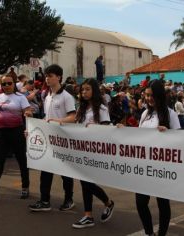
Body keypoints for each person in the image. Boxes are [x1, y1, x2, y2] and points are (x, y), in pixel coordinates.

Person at [28, 64, 77, 212]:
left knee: (65, 173)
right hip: (48, 139)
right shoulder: (47, 95)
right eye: (46, 76)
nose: (47, 79)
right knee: (46, 171)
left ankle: (69, 199)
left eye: (50, 76)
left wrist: (58, 121)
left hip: (63, 139)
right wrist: (34, 127)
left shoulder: (66, 97)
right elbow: (46, 117)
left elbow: (73, 117)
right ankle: (44, 201)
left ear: (59, 77)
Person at [136, 79, 180, 236]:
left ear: (160, 95)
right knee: (140, 202)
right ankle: (149, 233)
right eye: (146, 95)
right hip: (144, 165)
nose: (149, 98)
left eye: (152, 95)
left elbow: (180, 139)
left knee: (162, 203)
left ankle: (162, 233)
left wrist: (168, 134)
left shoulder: (171, 114)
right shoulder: (145, 114)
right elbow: (137, 137)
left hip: (162, 167)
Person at [0, 74, 33, 201]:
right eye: (4, 84)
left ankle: (25, 187)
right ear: (0, 85)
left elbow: (28, 112)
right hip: (2, 133)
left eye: (9, 83)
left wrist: (27, 113)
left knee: (22, 161)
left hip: (17, 132)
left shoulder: (20, 97)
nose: (7, 86)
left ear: (14, 84)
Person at [72, 78, 114, 229]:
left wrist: (94, 128)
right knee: (85, 182)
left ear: (94, 91)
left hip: (94, 152)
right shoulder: (81, 109)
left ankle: (91, 213)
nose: (84, 92)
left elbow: (107, 128)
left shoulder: (101, 109)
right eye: (82, 90)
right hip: (81, 150)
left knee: (86, 183)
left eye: (87, 89)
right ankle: (93, 211)